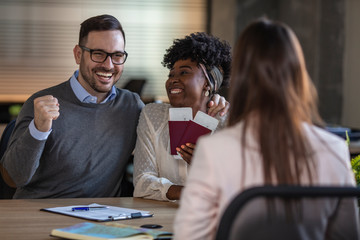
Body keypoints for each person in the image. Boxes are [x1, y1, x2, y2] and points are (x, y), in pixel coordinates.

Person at [0, 15, 227, 199]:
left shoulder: (132, 106)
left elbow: (175, 118)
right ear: (78, 54)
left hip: (102, 218)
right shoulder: (41, 102)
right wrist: (38, 131)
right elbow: (12, 178)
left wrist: (214, 101)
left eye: (117, 55)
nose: (108, 65)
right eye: (98, 54)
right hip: (38, 214)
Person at [174, 18, 360, 239]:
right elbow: (347, 235)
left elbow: (189, 236)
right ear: (299, 76)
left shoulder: (214, 151)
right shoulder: (335, 150)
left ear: (241, 80)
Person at [133, 32, 232, 201]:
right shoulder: (153, 115)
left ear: (208, 83)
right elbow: (142, 183)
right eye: (171, 74)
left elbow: (235, 189)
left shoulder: (228, 123)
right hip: (160, 216)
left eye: (184, 73)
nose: (173, 80)